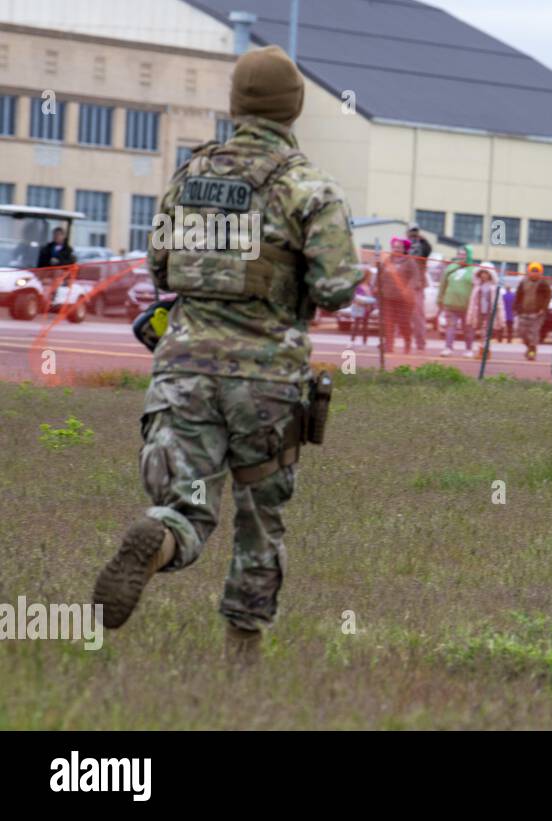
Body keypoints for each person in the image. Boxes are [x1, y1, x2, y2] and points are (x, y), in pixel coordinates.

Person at [92, 45, 361, 658]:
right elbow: (337, 288)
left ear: (235, 104)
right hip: (265, 384)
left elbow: (160, 270)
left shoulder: (189, 178)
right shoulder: (309, 187)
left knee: (186, 505)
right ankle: (242, 662)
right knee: (259, 519)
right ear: (293, 108)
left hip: (182, 370)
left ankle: (157, 537)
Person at [377, 236, 419, 354]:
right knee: (388, 322)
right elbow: (380, 275)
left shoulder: (410, 261)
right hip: (388, 298)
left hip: (404, 300)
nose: (397, 249)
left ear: (404, 249)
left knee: (403, 323)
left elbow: (415, 278)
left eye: (399, 247)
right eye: (395, 247)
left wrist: (408, 289)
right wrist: (377, 287)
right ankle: (389, 345)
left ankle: (407, 342)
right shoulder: (387, 260)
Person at [437, 246, 476, 356]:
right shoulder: (449, 269)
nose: (461, 257)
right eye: (459, 254)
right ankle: (448, 348)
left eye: (464, 255)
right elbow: (443, 286)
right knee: (450, 327)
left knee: (468, 329)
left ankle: (469, 349)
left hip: (467, 306)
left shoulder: (474, 270)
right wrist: (439, 300)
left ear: (469, 256)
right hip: (450, 304)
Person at [515, 261, 552, 360]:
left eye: (537, 271)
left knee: (534, 333)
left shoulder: (543, 284)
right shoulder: (523, 282)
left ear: (541, 273)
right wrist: (516, 308)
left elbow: (548, 297)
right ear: (528, 272)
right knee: (521, 332)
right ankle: (530, 347)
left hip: (537, 313)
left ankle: (532, 351)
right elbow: (518, 296)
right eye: (532, 271)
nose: (534, 273)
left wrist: (543, 308)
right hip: (523, 312)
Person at [465, 264, 498, 357]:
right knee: (480, 332)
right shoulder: (477, 286)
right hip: (478, 312)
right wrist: (471, 313)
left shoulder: (493, 287)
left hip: (489, 312)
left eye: (486, 273)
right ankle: (482, 349)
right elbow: (473, 301)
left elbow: (498, 303)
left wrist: (499, 316)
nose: (484, 275)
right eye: (482, 273)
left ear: (490, 274)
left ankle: (485, 351)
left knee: (487, 332)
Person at [349, 276, 377, 345]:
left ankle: (364, 343)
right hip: (359, 307)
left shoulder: (370, 286)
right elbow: (356, 297)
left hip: (366, 308)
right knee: (357, 325)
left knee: (364, 326)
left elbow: (372, 297)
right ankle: (352, 342)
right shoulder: (359, 286)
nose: (369, 279)